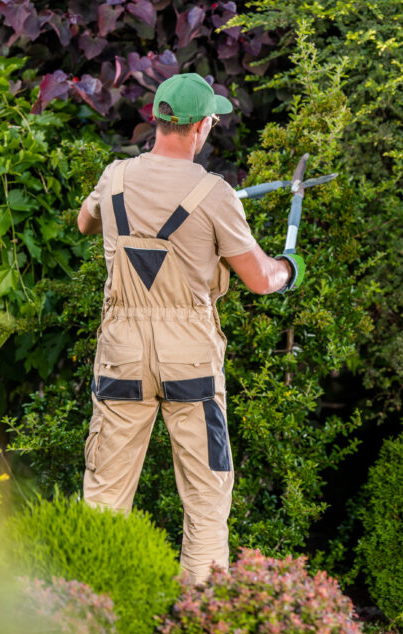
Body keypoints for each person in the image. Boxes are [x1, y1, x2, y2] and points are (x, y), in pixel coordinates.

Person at [75, 73, 302, 583]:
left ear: (157, 120)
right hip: (190, 358)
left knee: (105, 494)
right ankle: (199, 623)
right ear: (201, 127)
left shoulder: (114, 178)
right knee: (205, 493)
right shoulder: (215, 194)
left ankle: (91, 626)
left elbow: (85, 223)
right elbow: (262, 280)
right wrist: (291, 267)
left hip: (122, 352)